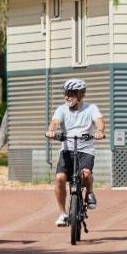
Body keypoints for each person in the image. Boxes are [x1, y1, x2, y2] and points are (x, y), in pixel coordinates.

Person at [46, 78, 105, 226]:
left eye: (71, 93)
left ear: (80, 95)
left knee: (86, 173)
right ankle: (63, 214)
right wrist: (51, 131)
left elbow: (99, 121)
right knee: (60, 178)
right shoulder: (61, 109)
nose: (67, 96)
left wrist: (99, 131)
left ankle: (89, 192)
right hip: (67, 150)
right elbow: (55, 122)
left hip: (85, 150)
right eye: (66, 93)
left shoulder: (91, 108)